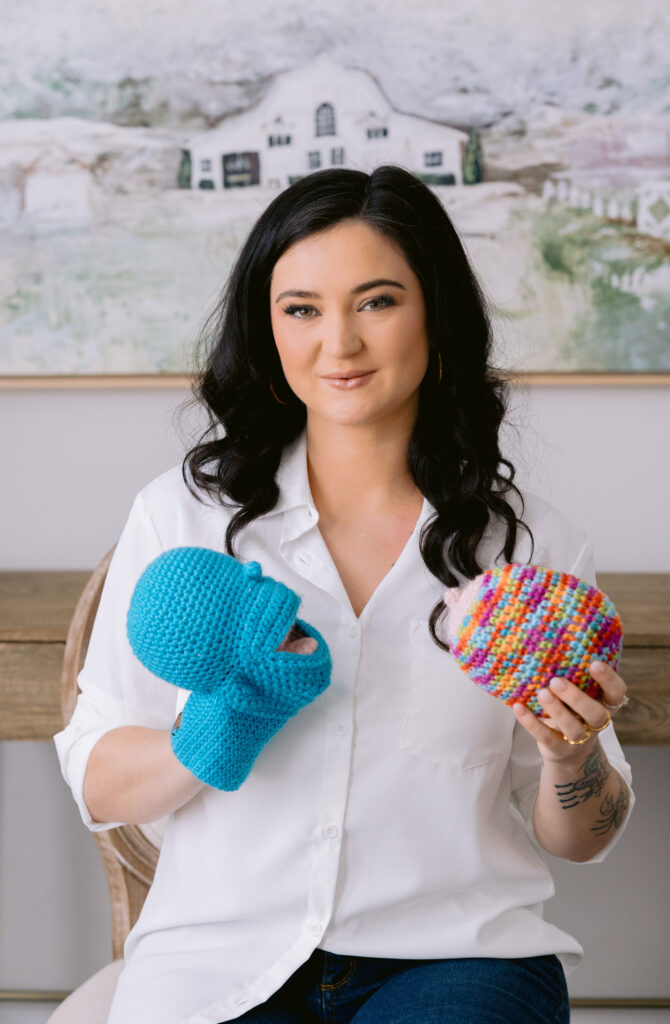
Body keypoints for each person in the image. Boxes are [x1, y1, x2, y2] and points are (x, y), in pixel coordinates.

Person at [54, 164, 634, 1024]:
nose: (340, 344)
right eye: (302, 309)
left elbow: (586, 837)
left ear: (435, 314)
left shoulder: (529, 553)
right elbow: (99, 784)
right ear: (267, 328)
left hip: (457, 960)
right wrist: (216, 731)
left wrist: (569, 755)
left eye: (376, 301)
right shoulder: (182, 518)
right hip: (217, 956)